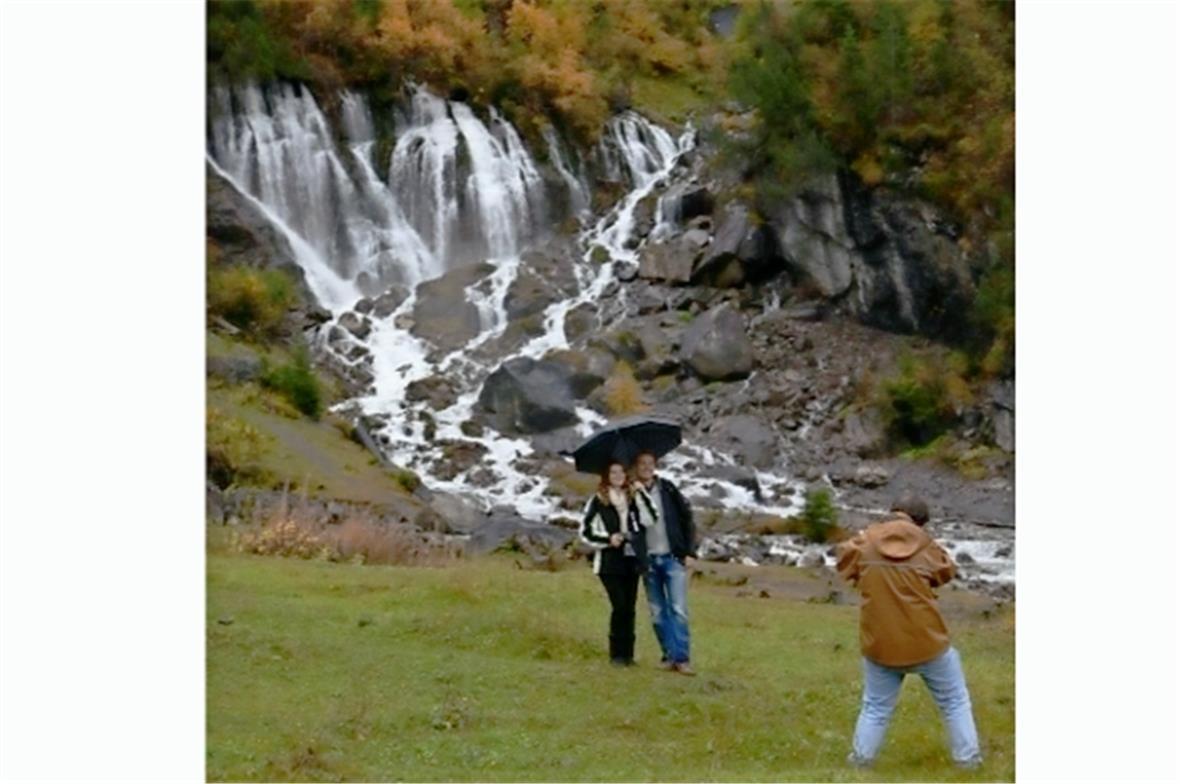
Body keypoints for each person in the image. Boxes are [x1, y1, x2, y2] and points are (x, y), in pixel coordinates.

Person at [836, 494, 983, 769]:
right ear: (921, 522)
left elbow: (843, 561)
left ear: (893, 512)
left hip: (879, 644)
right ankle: (968, 761)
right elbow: (946, 572)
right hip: (927, 643)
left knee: (875, 707)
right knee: (954, 701)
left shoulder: (865, 542)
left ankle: (860, 761)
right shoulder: (927, 546)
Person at [630, 450, 697, 676]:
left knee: (678, 609)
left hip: (672, 557)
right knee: (658, 612)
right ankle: (668, 655)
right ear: (636, 467)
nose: (647, 467)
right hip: (648, 560)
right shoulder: (631, 495)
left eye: (650, 463)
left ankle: (682, 658)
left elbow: (686, 517)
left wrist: (690, 552)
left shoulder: (667, 489)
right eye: (642, 463)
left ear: (655, 466)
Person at [579, 460, 642, 666]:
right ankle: (616, 655)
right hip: (608, 561)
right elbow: (585, 531)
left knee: (630, 607)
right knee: (619, 606)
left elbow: (650, 519)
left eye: (621, 471)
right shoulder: (597, 500)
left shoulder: (633, 497)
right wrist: (608, 539)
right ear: (606, 476)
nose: (617, 475)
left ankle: (629, 655)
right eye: (613, 472)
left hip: (631, 559)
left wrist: (641, 493)